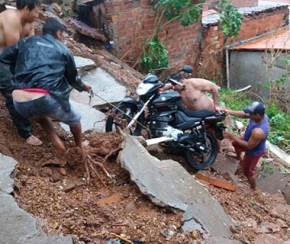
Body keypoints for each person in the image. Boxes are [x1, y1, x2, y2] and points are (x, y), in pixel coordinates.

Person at [0, 17, 91, 157]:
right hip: (45, 99)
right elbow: (73, 80)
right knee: (75, 119)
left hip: (19, 101)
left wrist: (15, 74)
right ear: (58, 33)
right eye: (63, 35)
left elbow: (3, 57)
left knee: (40, 114)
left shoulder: (26, 42)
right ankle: (79, 148)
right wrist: (84, 87)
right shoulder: (63, 50)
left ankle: (54, 137)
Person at [0, 0, 42, 145]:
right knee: (13, 92)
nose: (37, 15)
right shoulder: (11, 18)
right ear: (25, 9)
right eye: (35, 11)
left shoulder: (29, 23)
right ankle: (26, 133)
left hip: (10, 58)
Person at [224, 101, 269, 190]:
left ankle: (253, 189)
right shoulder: (259, 116)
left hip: (253, 152)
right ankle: (239, 158)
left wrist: (233, 136)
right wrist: (229, 111)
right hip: (248, 140)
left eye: (251, 114)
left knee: (248, 172)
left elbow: (249, 146)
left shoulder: (258, 131)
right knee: (235, 144)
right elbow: (244, 114)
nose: (248, 114)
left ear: (257, 115)